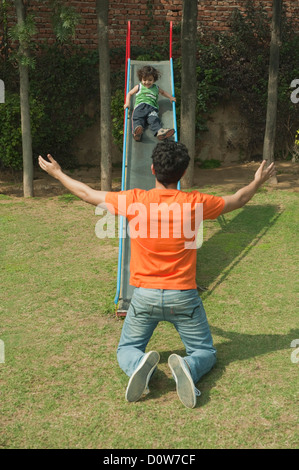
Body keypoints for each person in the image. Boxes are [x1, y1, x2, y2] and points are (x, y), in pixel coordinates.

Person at [38, 142, 276, 408]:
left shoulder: (134, 200)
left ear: (152, 169)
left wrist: (57, 173)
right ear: (183, 173)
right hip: (184, 297)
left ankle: (139, 364)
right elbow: (239, 199)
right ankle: (188, 365)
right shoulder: (195, 202)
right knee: (204, 352)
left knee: (126, 350)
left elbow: (86, 194)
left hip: (144, 298)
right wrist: (257, 181)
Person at [124, 65, 176, 142]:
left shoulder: (156, 88)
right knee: (137, 118)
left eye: (150, 80)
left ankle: (159, 132)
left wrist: (170, 97)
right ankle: (137, 132)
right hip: (140, 106)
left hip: (152, 108)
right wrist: (127, 103)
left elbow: (163, 92)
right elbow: (129, 93)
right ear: (141, 79)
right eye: (144, 80)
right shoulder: (139, 86)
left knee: (154, 119)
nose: (147, 82)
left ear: (154, 80)